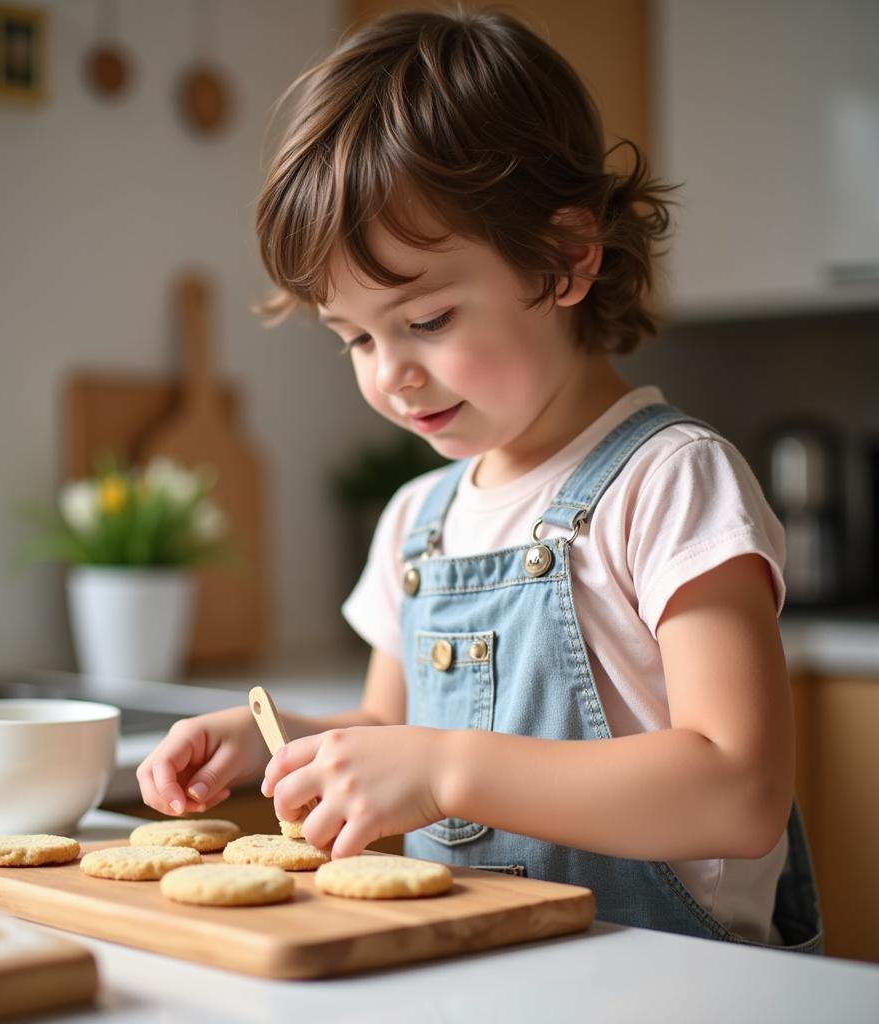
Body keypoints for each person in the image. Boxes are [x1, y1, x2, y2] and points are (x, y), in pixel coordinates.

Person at [137, 8, 821, 951]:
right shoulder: (418, 519)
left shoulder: (670, 483)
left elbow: (738, 790)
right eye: (355, 339)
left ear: (568, 256)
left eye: (426, 319)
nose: (390, 374)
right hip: (479, 974)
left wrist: (447, 769)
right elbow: (391, 725)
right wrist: (279, 743)